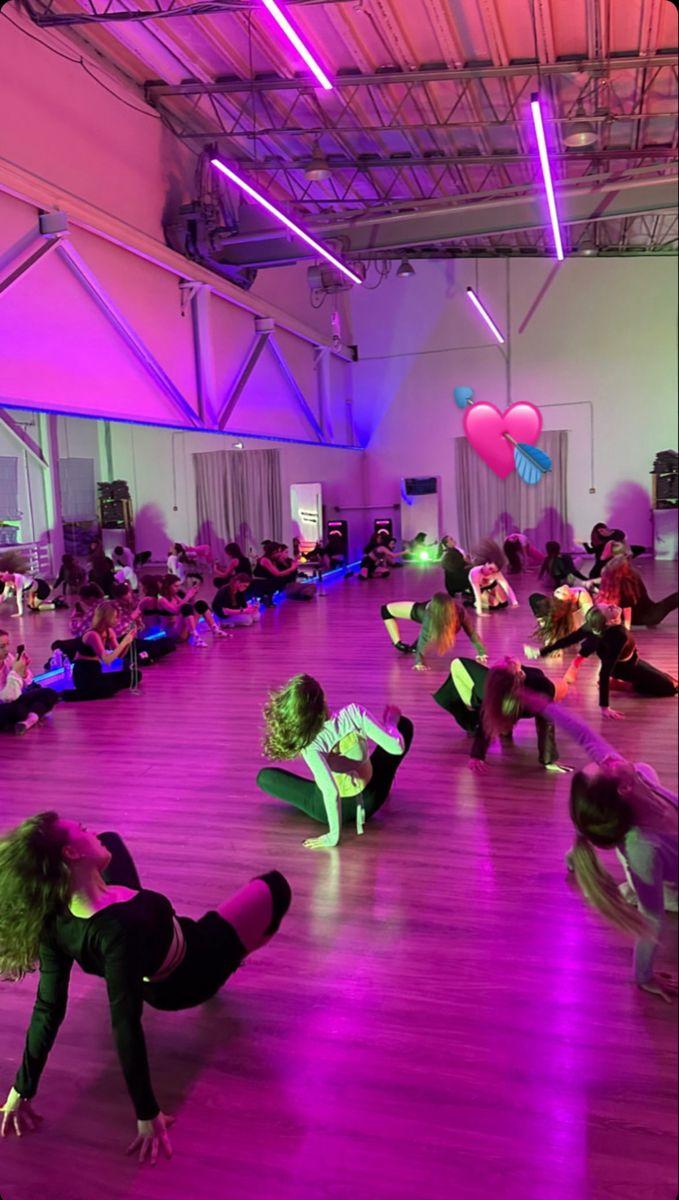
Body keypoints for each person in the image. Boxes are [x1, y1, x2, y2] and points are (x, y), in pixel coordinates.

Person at [0, 813, 291, 1160]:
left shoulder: (56, 919)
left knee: (111, 841)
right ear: (71, 854)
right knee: (274, 888)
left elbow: (48, 1008)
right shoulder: (119, 932)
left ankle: (231, 945)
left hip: (148, 949)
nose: (87, 829)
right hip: (193, 967)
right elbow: (124, 1024)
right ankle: (237, 953)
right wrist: (146, 1113)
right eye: (80, 831)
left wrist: (21, 1090)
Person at [517, 693, 677, 1001]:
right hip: (668, 883)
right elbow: (652, 918)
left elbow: (583, 734)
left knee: (643, 766)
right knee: (651, 892)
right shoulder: (644, 847)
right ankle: (631, 886)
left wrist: (541, 704)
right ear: (623, 789)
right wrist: (643, 976)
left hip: (654, 840)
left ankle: (580, 856)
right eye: (605, 765)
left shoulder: (632, 778)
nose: (606, 756)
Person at [257, 674, 414, 848]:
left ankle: (336, 821)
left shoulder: (309, 746)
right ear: (323, 697)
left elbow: (331, 793)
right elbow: (396, 748)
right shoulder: (354, 713)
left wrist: (334, 836)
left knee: (265, 777)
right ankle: (387, 780)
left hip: (329, 811)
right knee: (404, 726)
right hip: (373, 797)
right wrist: (390, 723)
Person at [525, 604, 678, 715]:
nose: (612, 605)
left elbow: (567, 640)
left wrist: (540, 652)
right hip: (628, 669)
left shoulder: (594, 624)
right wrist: (604, 707)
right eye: (609, 609)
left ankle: (632, 682)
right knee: (670, 689)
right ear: (610, 622)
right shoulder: (619, 637)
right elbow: (604, 672)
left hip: (634, 660)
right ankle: (624, 686)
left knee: (670, 681)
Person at [432, 655, 571, 774]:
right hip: (507, 696)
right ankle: (505, 727)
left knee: (563, 687)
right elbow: (487, 719)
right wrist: (477, 755)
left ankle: (506, 725)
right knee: (500, 719)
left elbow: (546, 723)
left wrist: (549, 759)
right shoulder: (490, 689)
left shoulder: (540, 688)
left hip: (533, 691)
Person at [380, 592, 487, 668]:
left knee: (385, 610)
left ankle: (399, 644)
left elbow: (424, 637)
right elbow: (471, 632)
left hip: (423, 613)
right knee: (386, 610)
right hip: (428, 616)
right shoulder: (459, 612)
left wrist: (419, 662)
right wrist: (482, 652)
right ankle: (408, 646)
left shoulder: (432, 616)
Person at [62, 602, 141, 701]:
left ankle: (97, 689)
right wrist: (124, 642)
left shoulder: (109, 631)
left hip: (96, 671)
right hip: (84, 673)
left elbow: (120, 655)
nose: (117, 620)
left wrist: (128, 641)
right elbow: (107, 660)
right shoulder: (92, 635)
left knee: (135, 675)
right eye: (115, 617)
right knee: (108, 689)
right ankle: (71, 694)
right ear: (107, 617)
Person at [0, 632, 60, 735]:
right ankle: (30, 717)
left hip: (12, 701)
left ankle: (27, 722)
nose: (7, 649)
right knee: (18, 710)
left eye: (7, 645)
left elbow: (28, 684)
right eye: (1, 646)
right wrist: (15, 673)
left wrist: (24, 671)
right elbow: (7, 697)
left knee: (49, 693)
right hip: (4, 703)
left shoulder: (8, 658)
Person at [598, 553, 678, 628]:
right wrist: (627, 627)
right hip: (648, 616)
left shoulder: (610, 585)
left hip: (638, 617)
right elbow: (627, 608)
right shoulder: (629, 584)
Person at [529, 585, 594, 655]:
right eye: (559, 592)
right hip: (571, 628)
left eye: (560, 592)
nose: (563, 588)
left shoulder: (581, 597)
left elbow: (592, 617)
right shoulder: (580, 598)